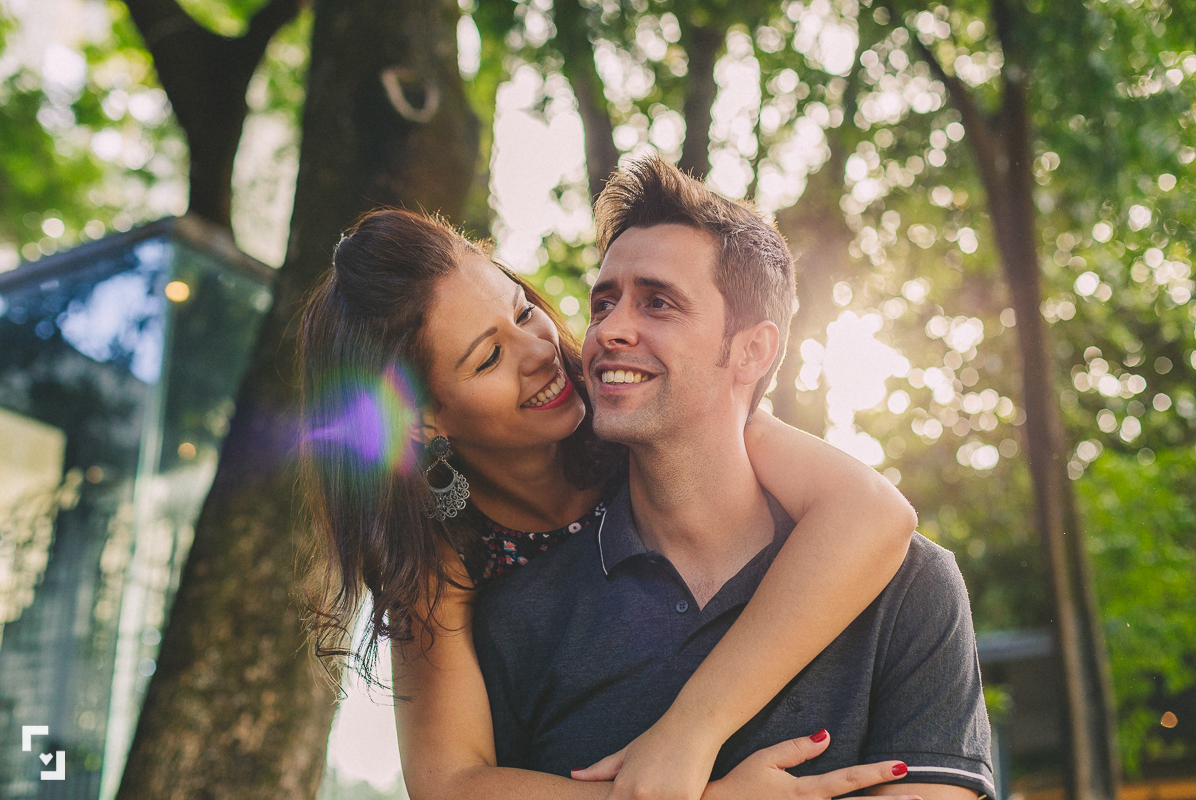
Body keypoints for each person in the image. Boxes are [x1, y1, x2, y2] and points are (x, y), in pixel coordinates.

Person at [298, 197, 918, 800]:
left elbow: (874, 513)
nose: (541, 352)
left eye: (521, 314)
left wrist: (687, 734)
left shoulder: (640, 406)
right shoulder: (443, 551)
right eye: (489, 358)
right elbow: (450, 783)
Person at [471, 155, 995, 800]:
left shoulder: (908, 586)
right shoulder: (521, 615)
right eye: (603, 303)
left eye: (657, 303)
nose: (610, 330)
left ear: (752, 351)